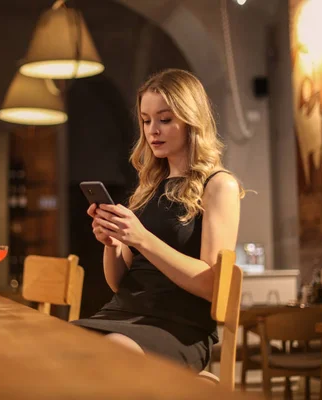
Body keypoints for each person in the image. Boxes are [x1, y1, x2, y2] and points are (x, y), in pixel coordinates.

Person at [71, 68, 242, 372]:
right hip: (121, 315)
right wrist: (111, 244)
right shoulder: (147, 188)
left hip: (177, 327)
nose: (153, 131)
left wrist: (141, 239)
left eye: (165, 120)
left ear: (191, 121)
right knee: (55, 344)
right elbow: (118, 284)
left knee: (109, 356)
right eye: (146, 121)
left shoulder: (218, 185)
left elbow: (213, 286)